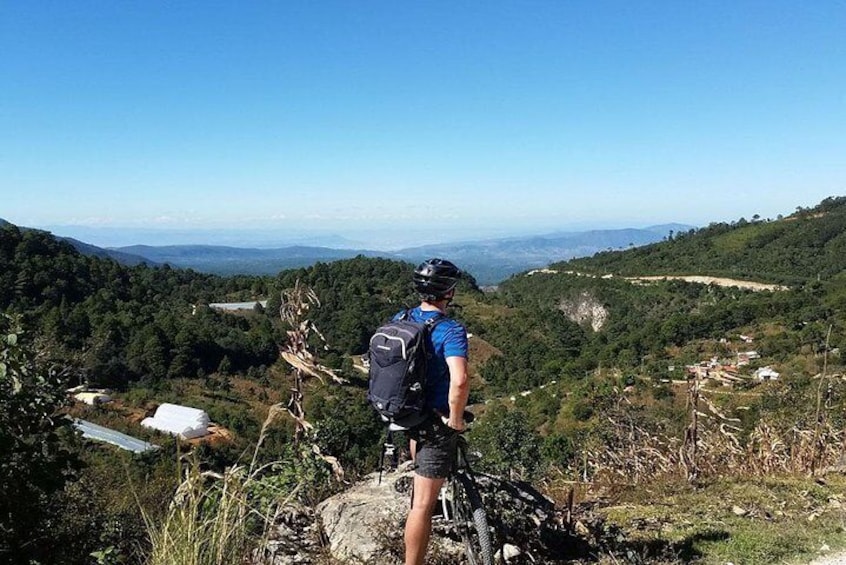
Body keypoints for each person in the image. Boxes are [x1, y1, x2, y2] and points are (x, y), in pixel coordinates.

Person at [400, 258, 470, 565]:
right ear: (449, 292)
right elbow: (461, 380)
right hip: (435, 419)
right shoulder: (451, 330)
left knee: (422, 480)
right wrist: (454, 419)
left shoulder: (402, 317)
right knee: (422, 505)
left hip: (408, 413)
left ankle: (422, 473)